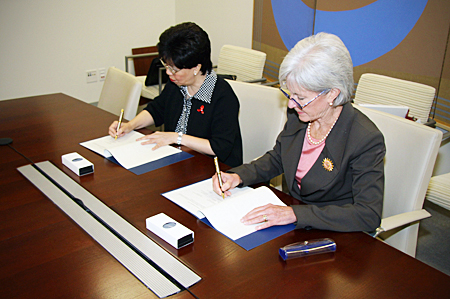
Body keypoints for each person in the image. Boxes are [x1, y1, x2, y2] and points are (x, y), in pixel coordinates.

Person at [212, 32, 386, 232]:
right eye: (289, 94)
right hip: (293, 221)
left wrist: (295, 214)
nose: (291, 104)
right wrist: (239, 176)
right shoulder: (301, 113)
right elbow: (279, 157)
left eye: (300, 97)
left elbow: (368, 215)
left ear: (332, 93)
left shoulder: (364, 139)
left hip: (333, 231)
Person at [109, 22, 243, 167]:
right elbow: (157, 110)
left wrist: (177, 138)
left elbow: (219, 147)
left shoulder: (222, 97)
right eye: (166, 65)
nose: (168, 73)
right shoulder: (177, 84)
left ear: (196, 67)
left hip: (214, 171)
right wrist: (130, 125)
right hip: (177, 162)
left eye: (174, 69)